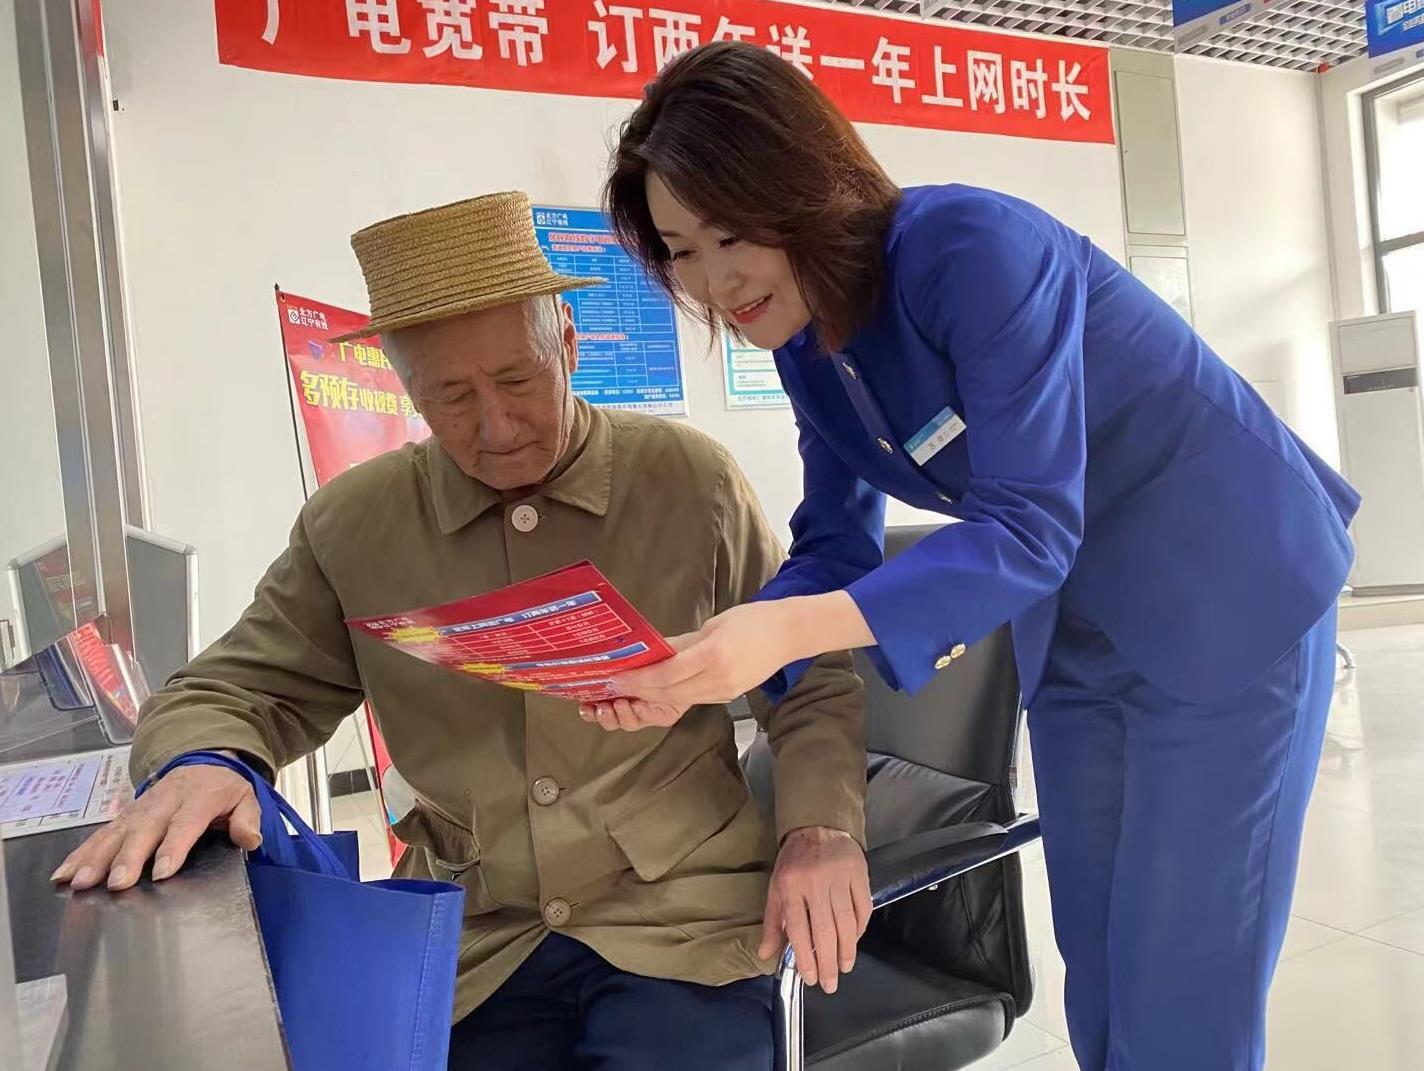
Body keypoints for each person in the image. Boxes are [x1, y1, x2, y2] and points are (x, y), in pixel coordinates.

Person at [594, 42, 1360, 1071]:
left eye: (731, 233)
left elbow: (1029, 520)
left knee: (1183, 985)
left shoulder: (970, 247)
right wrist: (696, 662)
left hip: (1228, 597)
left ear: (803, 183)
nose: (714, 279)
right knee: (1100, 967)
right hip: (1077, 626)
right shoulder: (806, 346)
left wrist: (781, 632)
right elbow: (835, 544)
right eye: (681, 250)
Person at [50, 192, 872, 1070]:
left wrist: (820, 828)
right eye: (449, 396)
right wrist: (204, 759)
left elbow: (808, 675)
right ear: (405, 386)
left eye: (518, 379)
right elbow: (238, 686)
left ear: (568, 339)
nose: (496, 425)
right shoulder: (356, 526)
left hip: (683, 924)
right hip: (479, 940)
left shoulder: (687, 481)